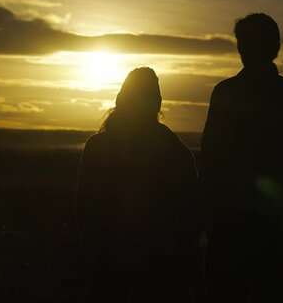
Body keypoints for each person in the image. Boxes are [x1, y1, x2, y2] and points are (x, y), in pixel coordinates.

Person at [200, 13, 283, 301]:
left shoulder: (227, 94)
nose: (245, 50)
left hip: (241, 223)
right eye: (244, 43)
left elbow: (210, 158)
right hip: (255, 224)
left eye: (249, 43)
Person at [76, 67, 198, 302]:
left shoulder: (98, 147)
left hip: (114, 262)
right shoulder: (176, 150)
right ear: (157, 103)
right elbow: (189, 214)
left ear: (121, 100)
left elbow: (86, 209)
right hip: (160, 266)